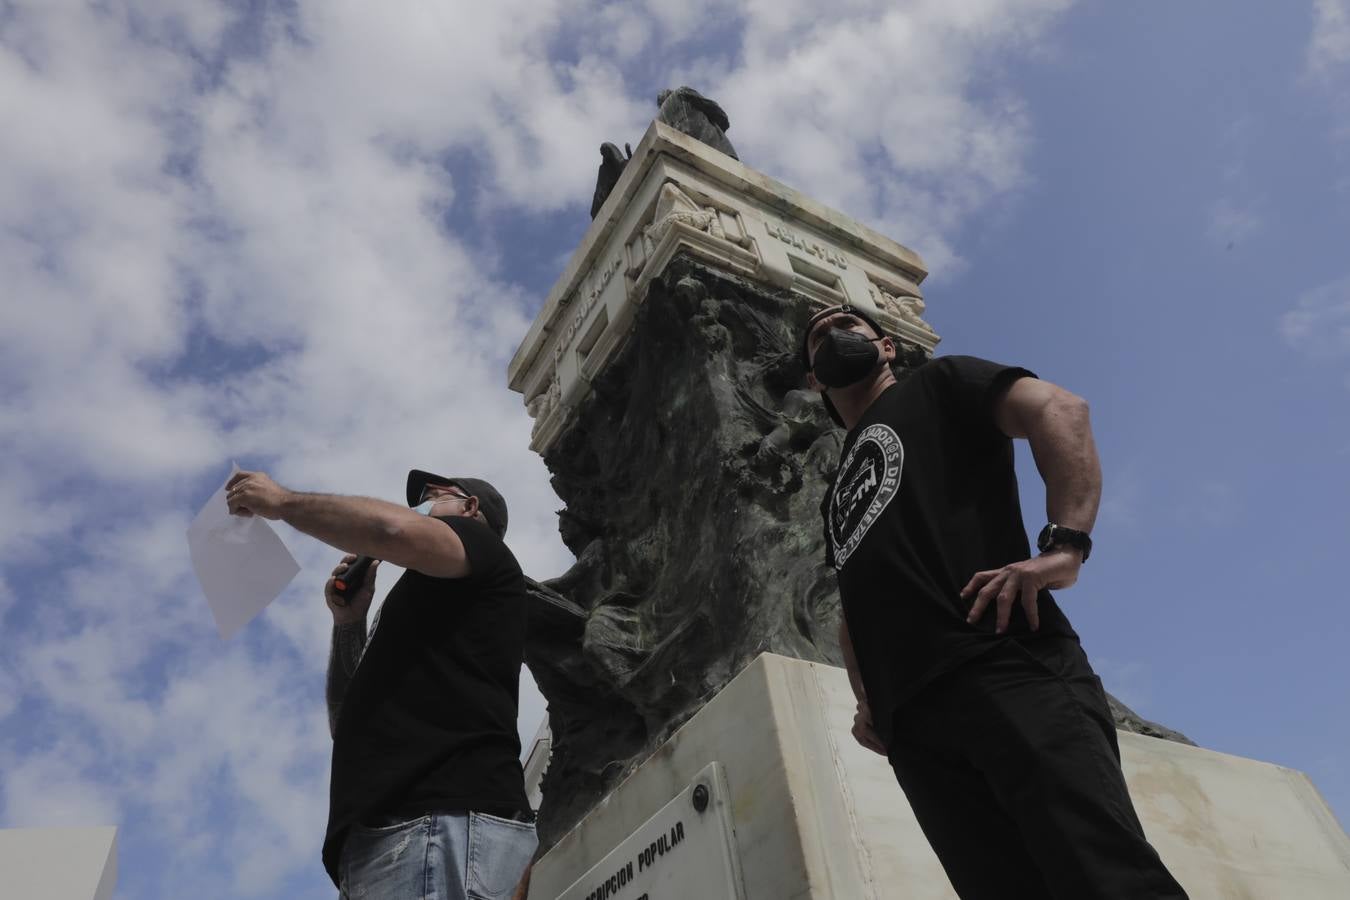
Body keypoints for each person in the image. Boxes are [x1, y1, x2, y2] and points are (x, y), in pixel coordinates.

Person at [801, 304, 1187, 899]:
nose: (832, 335)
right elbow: (854, 598)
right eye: (818, 337)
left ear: (887, 348)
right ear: (813, 381)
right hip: (915, 726)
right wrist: (865, 696)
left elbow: (1061, 409)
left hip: (1003, 660)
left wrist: (1065, 547)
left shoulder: (941, 382)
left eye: (847, 326)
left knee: (1102, 877)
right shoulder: (837, 491)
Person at [226, 467, 537, 899]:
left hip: (440, 822)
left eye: (435, 495)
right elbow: (344, 721)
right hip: (391, 837)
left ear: (469, 508)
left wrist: (282, 502)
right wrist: (349, 623)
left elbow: (390, 528)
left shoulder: (483, 548)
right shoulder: (424, 605)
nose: (424, 507)